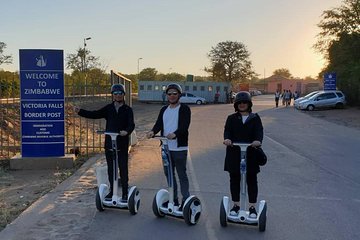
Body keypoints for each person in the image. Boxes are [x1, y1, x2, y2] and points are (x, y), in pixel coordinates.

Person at [74, 84, 135, 202]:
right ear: (112, 95)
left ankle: (125, 192)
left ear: (124, 95)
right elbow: (95, 114)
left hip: (122, 143)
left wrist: (126, 131)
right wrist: (80, 111)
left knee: (122, 167)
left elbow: (131, 124)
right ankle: (113, 191)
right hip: (110, 143)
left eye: (120, 93)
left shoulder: (128, 110)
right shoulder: (109, 108)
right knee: (111, 168)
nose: (118, 96)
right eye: (115, 94)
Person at [146, 83, 191, 210]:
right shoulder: (164, 109)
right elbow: (158, 124)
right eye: (169, 94)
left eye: (174, 94)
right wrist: (152, 132)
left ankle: (186, 201)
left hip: (179, 148)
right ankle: (174, 199)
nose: (171, 96)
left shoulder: (184, 109)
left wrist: (175, 134)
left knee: (181, 174)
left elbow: (184, 126)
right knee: (169, 174)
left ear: (179, 95)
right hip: (166, 148)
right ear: (167, 95)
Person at [223, 91, 265, 218]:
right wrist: (227, 139)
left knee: (251, 180)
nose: (242, 104)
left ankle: (252, 207)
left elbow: (259, 131)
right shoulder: (231, 118)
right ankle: (236, 205)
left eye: (244, 102)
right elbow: (227, 131)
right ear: (236, 104)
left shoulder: (255, 118)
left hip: (251, 154)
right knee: (234, 179)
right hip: (234, 153)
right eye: (239, 103)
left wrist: (258, 141)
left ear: (249, 104)